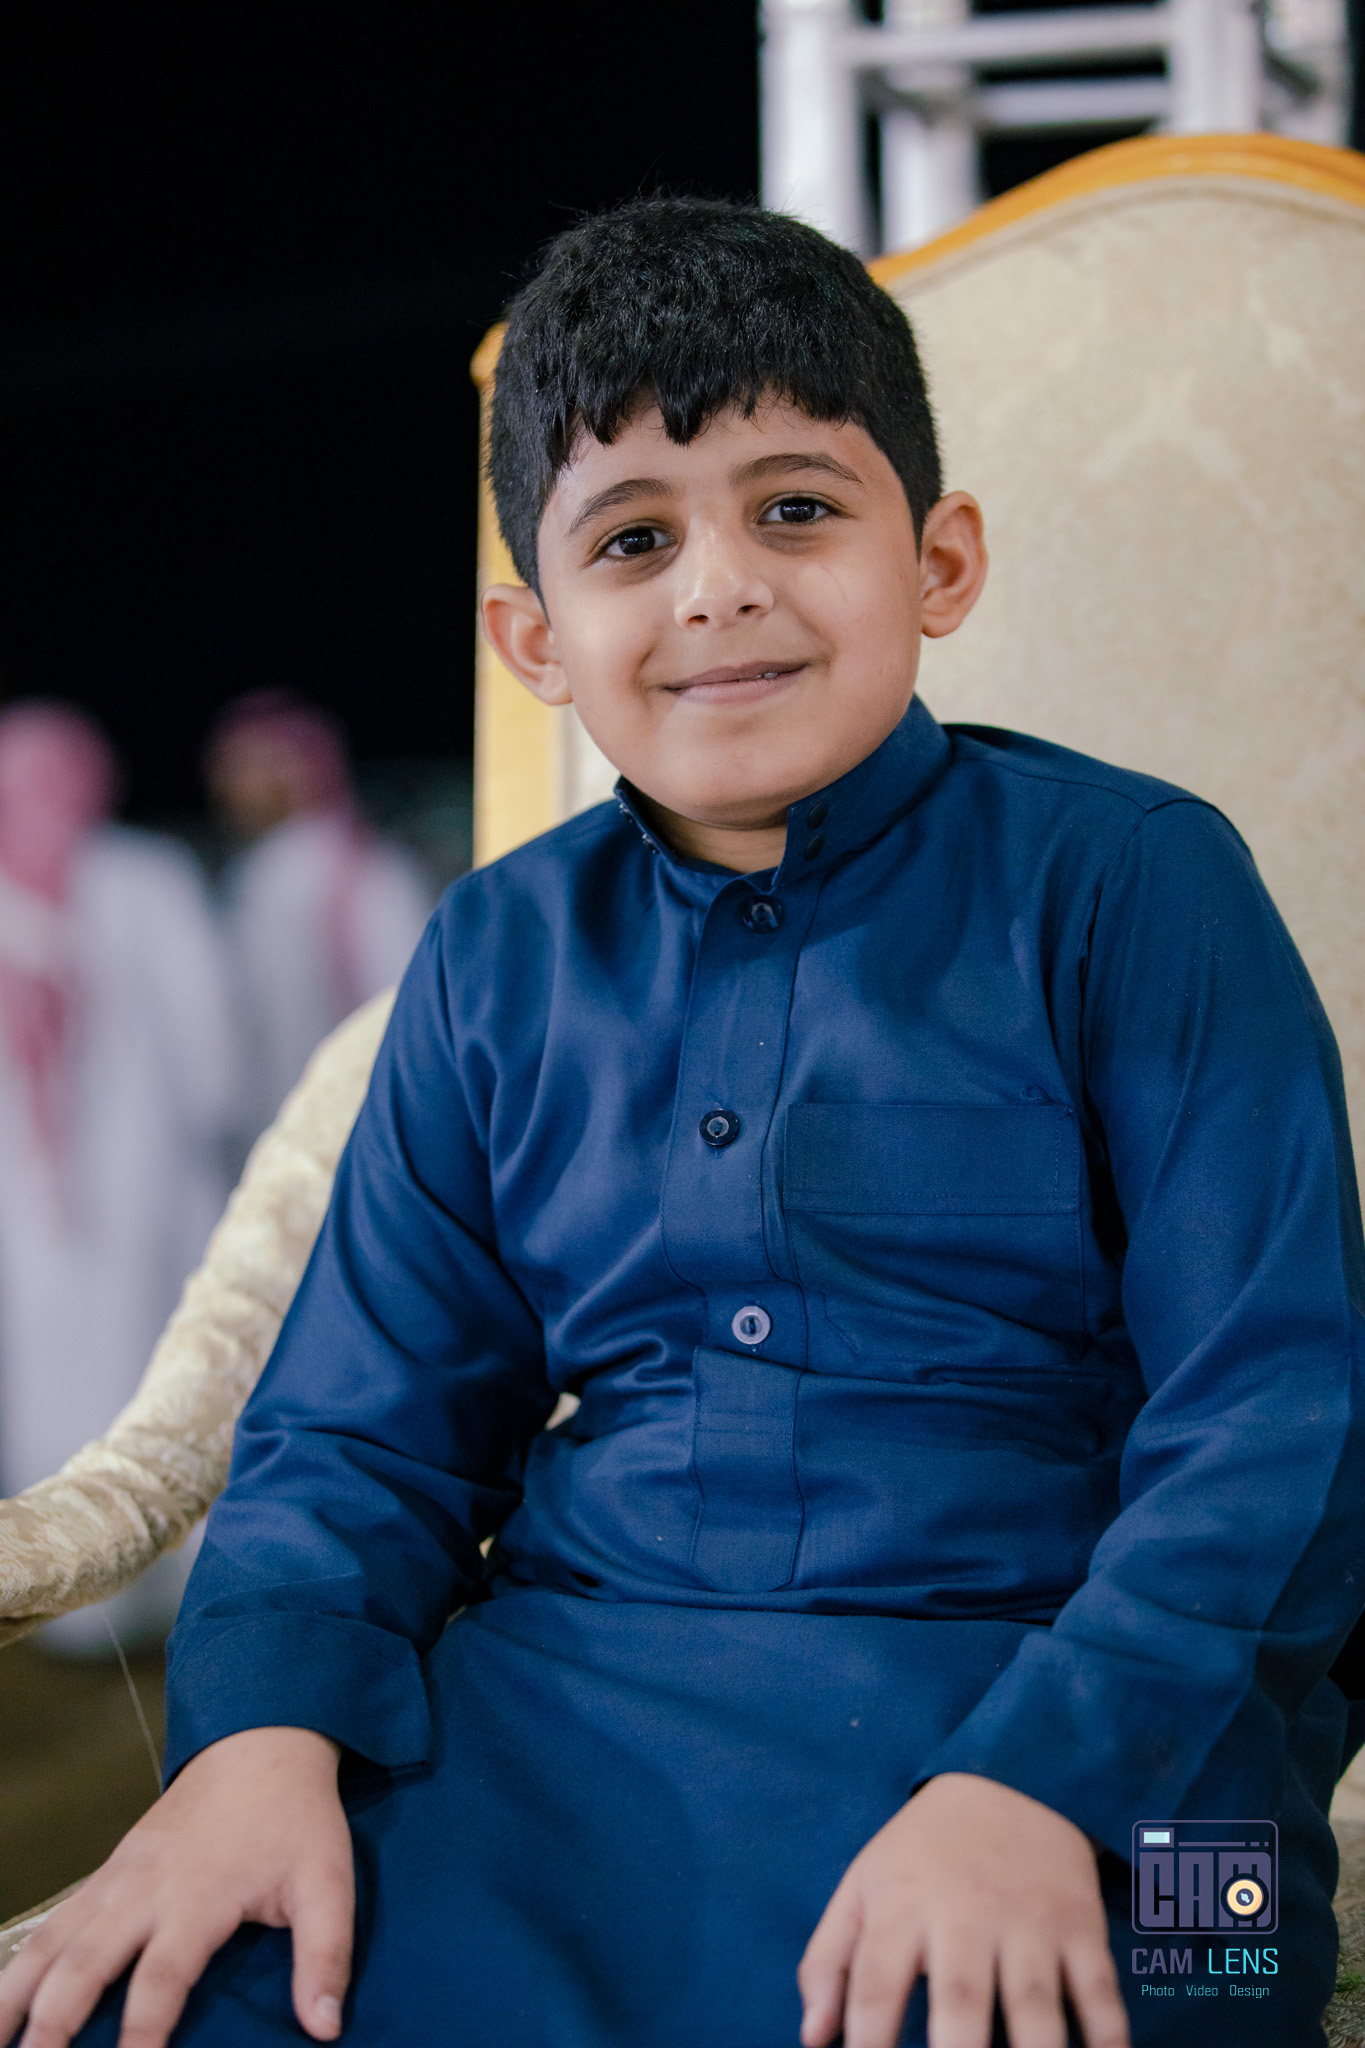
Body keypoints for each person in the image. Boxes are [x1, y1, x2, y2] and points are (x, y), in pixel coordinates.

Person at [2, 197, 1362, 2048]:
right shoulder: (494, 955)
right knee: (159, 2000)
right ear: (534, 638)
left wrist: (1038, 1784)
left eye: (795, 508)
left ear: (940, 559)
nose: (718, 585)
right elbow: (359, 1435)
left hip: (1110, 1727)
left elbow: (1276, 1424)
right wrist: (254, 1746)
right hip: (571, 1710)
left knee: (1146, 2001)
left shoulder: (1135, 884)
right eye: (635, 538)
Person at [0, 703, 238, 1648]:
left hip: (115, 1189)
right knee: (145, 1376)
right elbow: (212, 1045)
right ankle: (104, 1603)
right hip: (89, 1190)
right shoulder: (144, 876)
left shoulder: (136, 877)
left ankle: (88, 1608)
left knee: (137, 1372)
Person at [204, 694, 431, 1148]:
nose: (231, 785)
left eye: (250, 766)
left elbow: (408, 1008)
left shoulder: (349, 872)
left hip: (346, 1124)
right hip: (307, 1123)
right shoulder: (272, 871)